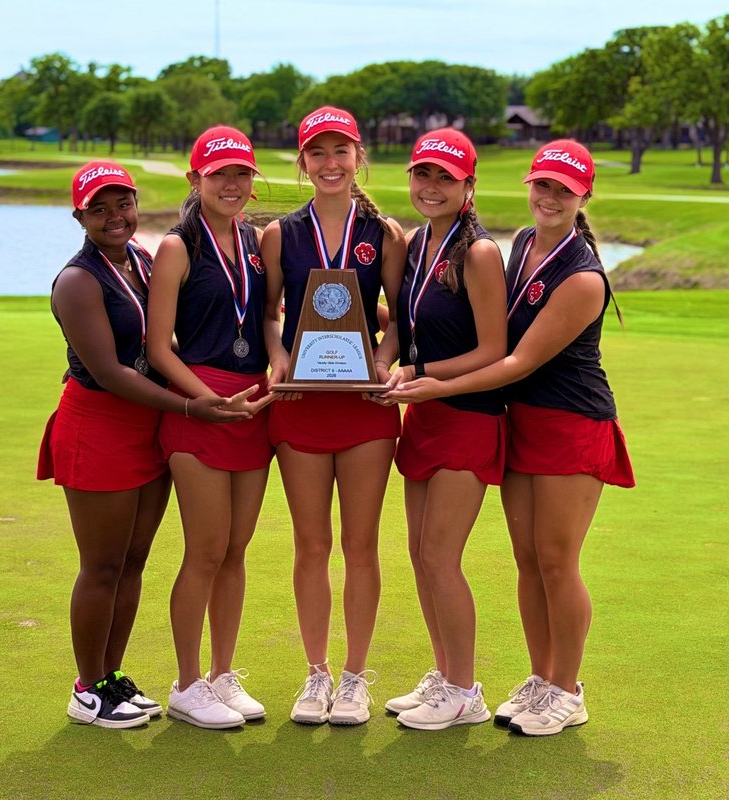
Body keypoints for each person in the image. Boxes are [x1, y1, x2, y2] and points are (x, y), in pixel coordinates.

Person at [384, 140, 635, 736]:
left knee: (557, 560)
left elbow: (516, 359)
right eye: (542, 185)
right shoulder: (521, 244)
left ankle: (566, 689)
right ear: (529, 185)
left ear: (583, 198)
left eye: (563, 190)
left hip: (571, 423)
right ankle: (542, 677)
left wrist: (427, 382)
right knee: (528, 560)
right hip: (520, 418)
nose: (549, 198)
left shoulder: (583, 279)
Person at [38, 161, 250, 729]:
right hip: (99, 425)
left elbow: (168, 337)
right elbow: (108, 371)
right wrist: (191, 406)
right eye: (99, 209)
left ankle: (111, 677)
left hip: (145, 426)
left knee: (132, 561)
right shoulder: (78, 280)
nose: (115, 217)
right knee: (102, 565)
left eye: (123, 205)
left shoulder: (141, 260)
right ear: (78, 215)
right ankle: (87, 689)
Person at [261, 106, 406, 725]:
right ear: (302, 162)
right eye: (317, 153)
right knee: (311, 543)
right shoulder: (279, 234)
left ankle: (354, 678)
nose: (329, 164)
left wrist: (383, 358)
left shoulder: (387, 232)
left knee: (360, 544)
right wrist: (278, 358)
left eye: (340, 152)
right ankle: (316, 674)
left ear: (359, 157)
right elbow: (271, 313)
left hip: (364, 407)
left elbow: (398, 317)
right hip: (301, 405)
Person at [370, 129, 507, 730]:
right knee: (418, 554)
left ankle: (463, 688)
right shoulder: (420, 242)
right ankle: (443, 672)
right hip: (423, 411)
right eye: (422, 175)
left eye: (445, 178)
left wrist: (418, 370)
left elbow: (493, 349)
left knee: (440, 556)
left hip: (468, 415)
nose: (430, 187)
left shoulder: (477, 252)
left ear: (468, 187)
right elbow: (405, 318)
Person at [146, 126, 275, 730]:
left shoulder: (255, 240)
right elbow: (158, 346)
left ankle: (223, 675)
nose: (232, 184)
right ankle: (187, 683)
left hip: (253, 403)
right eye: (218, 173)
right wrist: (204, 400)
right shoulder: (178, 246)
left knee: (235, 550)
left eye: (242, 173)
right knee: (204, 549)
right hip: (199, 404)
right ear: (195, 179)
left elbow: (270, 317)